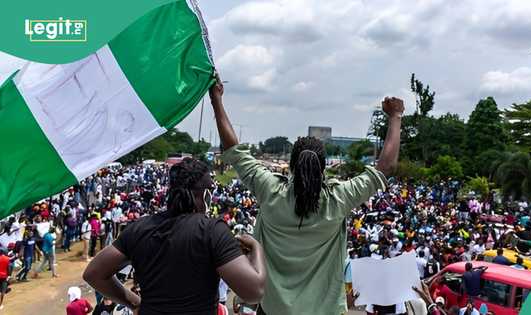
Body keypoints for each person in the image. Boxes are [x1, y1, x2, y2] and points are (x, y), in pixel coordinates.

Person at [210, 77, 404, 315]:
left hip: (272, 309)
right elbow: (385, 168)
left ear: (291, 166)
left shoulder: (270, 190)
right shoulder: (338, 199)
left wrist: (216, 99)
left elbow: (234, 151)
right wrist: (395, 117)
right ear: (323, 169)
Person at [83, 157, 267, 315]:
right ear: (204, 194)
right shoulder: (212, 231)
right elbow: (254, 291)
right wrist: (257, 249)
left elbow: (94, 274)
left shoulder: (140, 229)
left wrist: (134, 302)